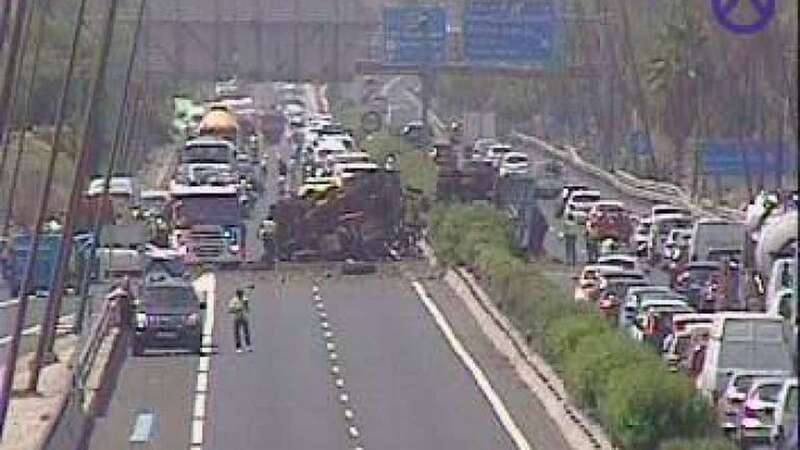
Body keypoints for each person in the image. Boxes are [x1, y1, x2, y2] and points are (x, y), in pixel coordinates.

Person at [228, 288, 252, 353]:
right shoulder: (233, 301)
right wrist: (237, 309)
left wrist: (246, 305)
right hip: (237, 317)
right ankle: (238, 347)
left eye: (241, 294)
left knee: (246, 331)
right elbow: (230, 310)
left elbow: (247, 309)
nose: (241, 295)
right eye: (240, 294)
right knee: (237, 332)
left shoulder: (244, 299)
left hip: (244, 317)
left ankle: (248, 346)